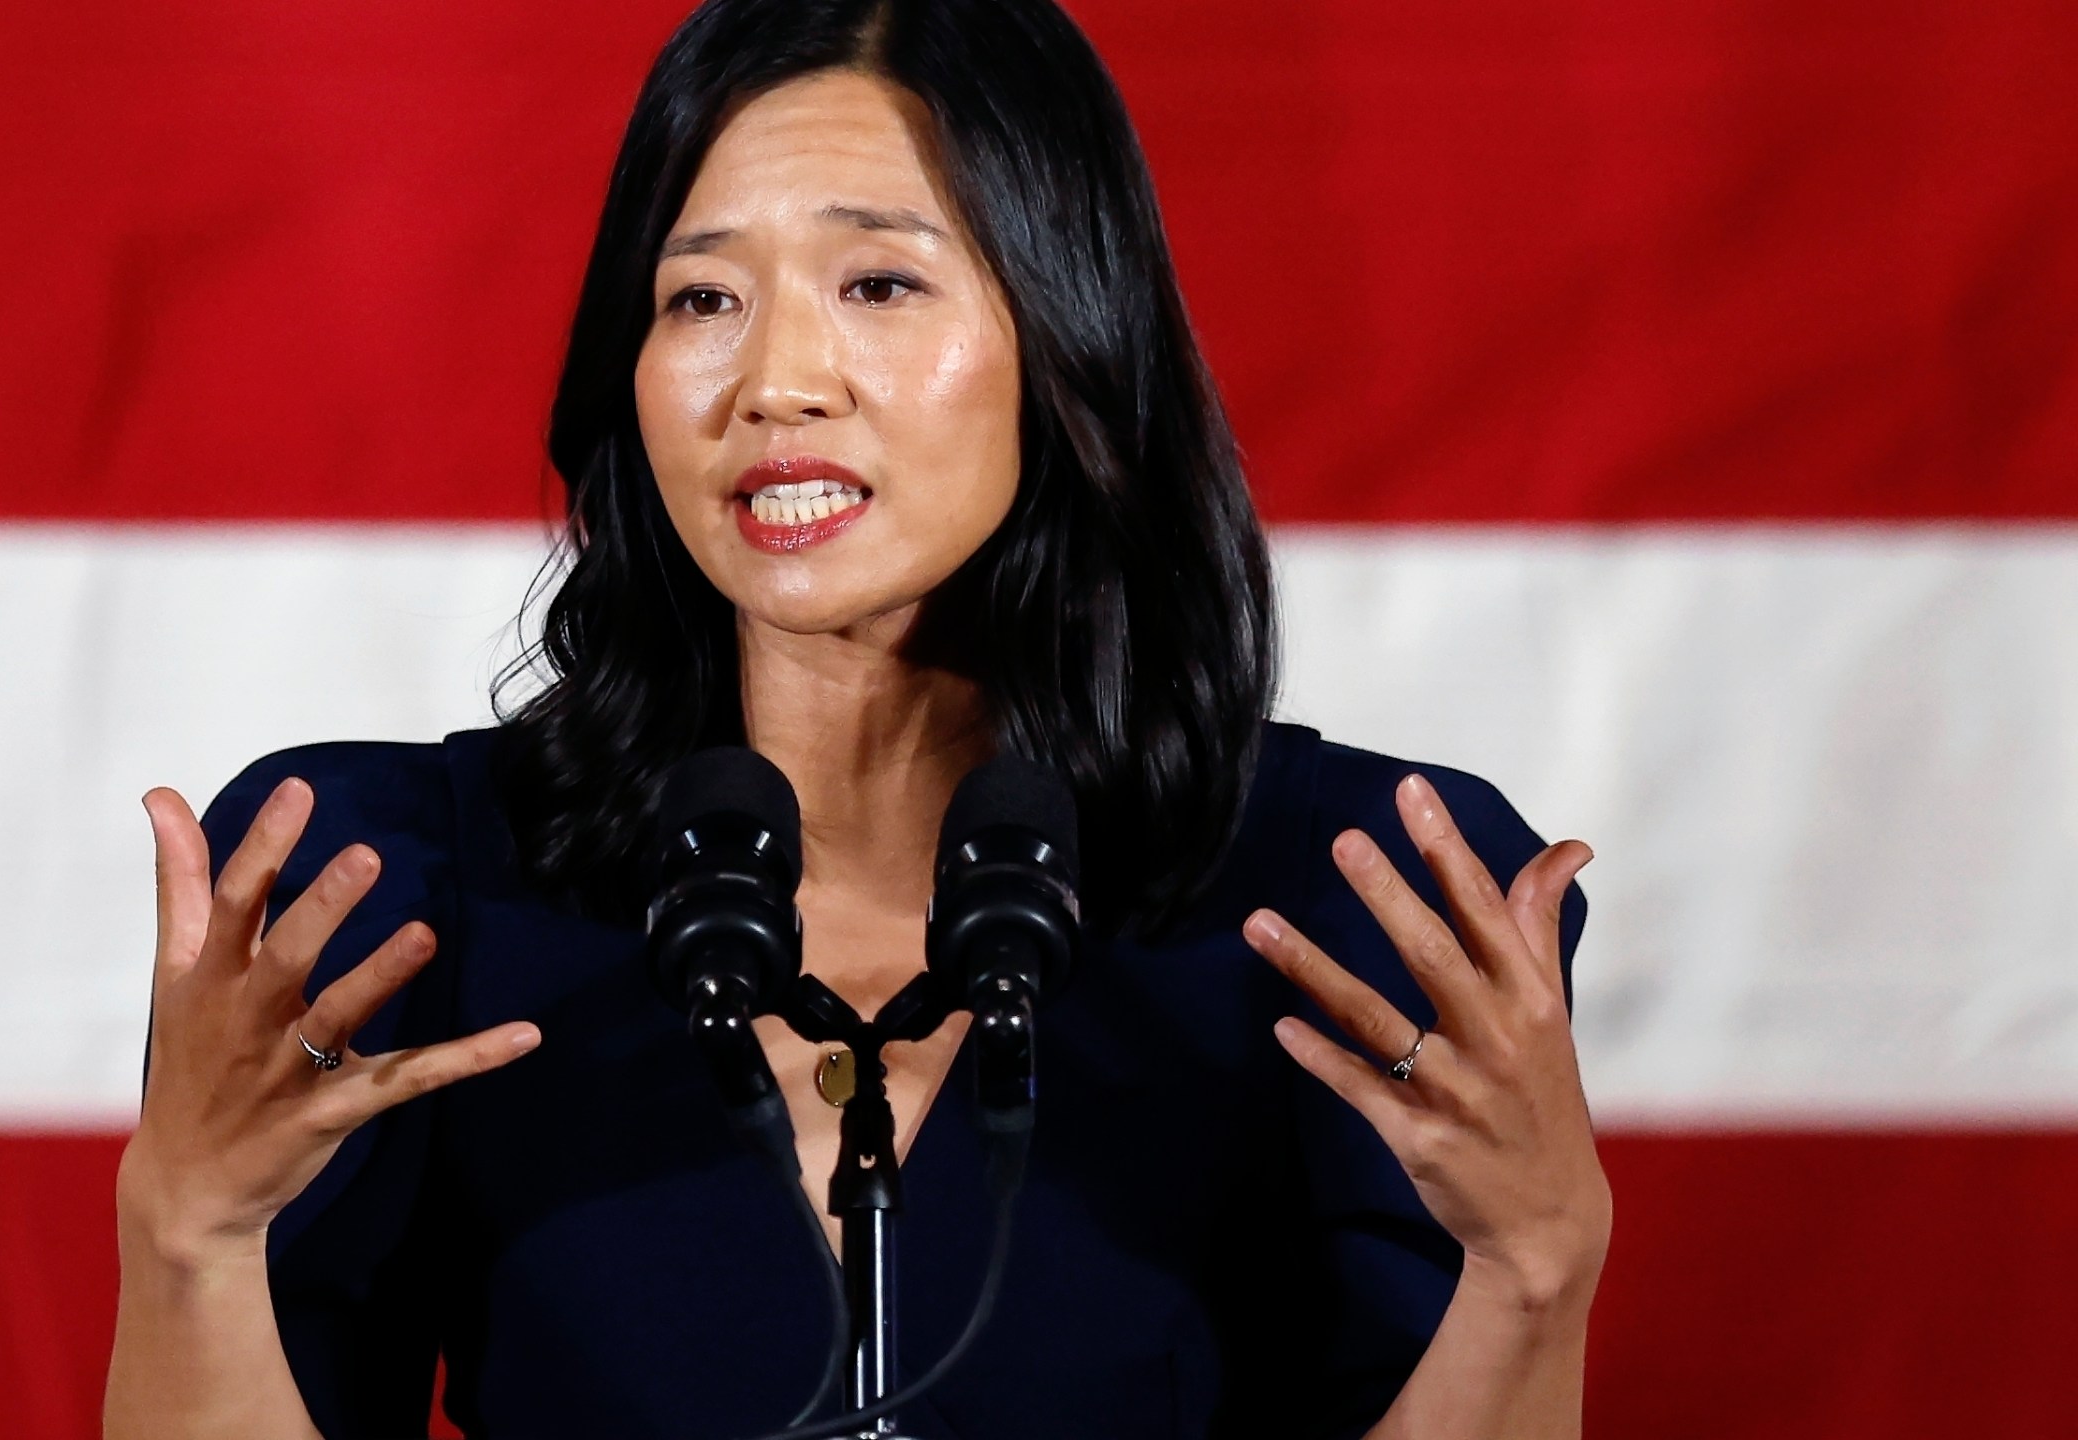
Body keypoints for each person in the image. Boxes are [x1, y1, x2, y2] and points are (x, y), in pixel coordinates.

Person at [103, 1, 1610, 1436]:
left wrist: (1533, 1280)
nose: (775, 381)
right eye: (702, 297)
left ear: (1064, 327)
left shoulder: (1351, 902)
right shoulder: (385, 892)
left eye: (878, 284)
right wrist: (191, 1246)